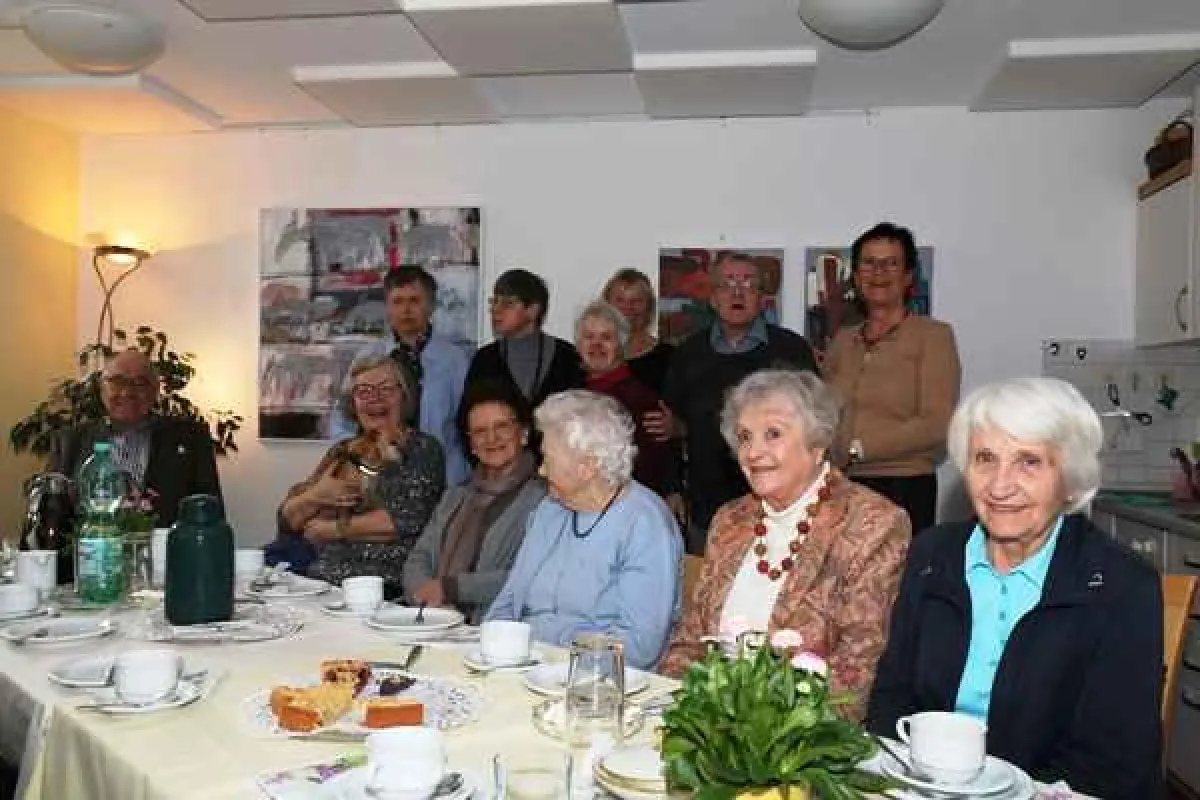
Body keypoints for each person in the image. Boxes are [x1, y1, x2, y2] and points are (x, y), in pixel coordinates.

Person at [866, 377, 1163, 799]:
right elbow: (890, 698)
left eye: (1029, 462)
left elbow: (1113, 762)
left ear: (1071, 480)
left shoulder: (1122, 586)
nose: (1000, 486)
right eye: (985, 458)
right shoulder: (933, 556)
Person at [659, 370, 909, 721]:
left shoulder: (873, 524)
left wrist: (757, 732)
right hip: (708, 724)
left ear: (817, 443)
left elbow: (855, 674)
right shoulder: (731, 519)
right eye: (744, 437)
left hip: (797, 736)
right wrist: (671, 711)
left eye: (772, 434)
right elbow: (690, 641)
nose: (753, 451)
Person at [486, 390, 682, 669]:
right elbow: (510, 599)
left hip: (599, 682)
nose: (541, 471)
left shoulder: (645, 524)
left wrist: (546, 652)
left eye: (547, 459)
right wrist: (494, 646)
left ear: (587, 467)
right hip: (527, 666)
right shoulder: (549, 510)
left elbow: (638, 646)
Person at [656, 253, 818, 554]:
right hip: (708, 507)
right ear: (713, 298)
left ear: (762, 299)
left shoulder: (792, 350)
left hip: (781, 506)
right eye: (726, 285)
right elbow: (667, 426)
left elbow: (815, 428)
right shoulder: (687, 353)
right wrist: (672, 489)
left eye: (748, 285)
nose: (737, 293)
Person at [824, 222, 960, 535]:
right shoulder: (843, 341)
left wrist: (857, 449)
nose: (879, 272)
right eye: (869, 263)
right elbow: (823, 413)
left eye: (891, 263)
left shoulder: (933, 336)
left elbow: (936, 424)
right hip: (840, 487)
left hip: (904, 488)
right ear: (856, 277)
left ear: (908, 276)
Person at [275, 355, 445, 597]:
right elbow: (288, 521)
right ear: (353, 403)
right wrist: (314, 497)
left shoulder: (423, 449)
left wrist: (332, 529)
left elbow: (405, 520)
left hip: (383, 584)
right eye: (363, 391)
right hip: (321, 580)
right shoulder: (343, 450)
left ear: (404, 397)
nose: (375, 398)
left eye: (386, 389)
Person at [402, 381, 545, 623]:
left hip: (498, 629)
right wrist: (429, 599)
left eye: (501, 427)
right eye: (480, 431)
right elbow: (419, 557)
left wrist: (452, 588)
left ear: (523, 434)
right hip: (435, 621)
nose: (491, 438)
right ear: (472, 445)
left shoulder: (544, 499)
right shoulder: (455, 496)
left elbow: (533, 577)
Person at [48, 348, 221, 526]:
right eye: (117, 381)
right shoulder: (70, 442)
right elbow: (50, 518)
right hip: (90, 551)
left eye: (140, 383)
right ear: (102, 389)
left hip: (166, 551)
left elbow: (211, 514)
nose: (127, 392)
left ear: (155, 391)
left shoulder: (191, 439)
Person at [330, 266, 470, 486]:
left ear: (431, 306)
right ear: (387, 307)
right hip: (379, 481)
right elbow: (342, 421)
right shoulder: (367, 358)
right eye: (397, 301)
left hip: (443, 481)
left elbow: (466, 427)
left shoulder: (455, 361)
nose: (406, 309)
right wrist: (355, 466)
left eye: (414, 300)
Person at [576, 301, 678, 499]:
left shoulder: (640, 399)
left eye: (606, 338)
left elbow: (654, 468)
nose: (596, 345)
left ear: (621, 345)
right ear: (578, 344)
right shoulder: (572, 395)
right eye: (589, 337)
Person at [464, 269, 583, 411]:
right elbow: (468, 416)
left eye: (508, 303)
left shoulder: (567, 356)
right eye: (494, 301)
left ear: (533, 310)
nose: (496, 309)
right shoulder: (484, 359)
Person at [603, 268, 673, 393]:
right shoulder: (592, 355)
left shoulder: (669, 357)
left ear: (649, 307)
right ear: (606, 306)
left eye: (636, 301)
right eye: (619, 300)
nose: (627, 307)